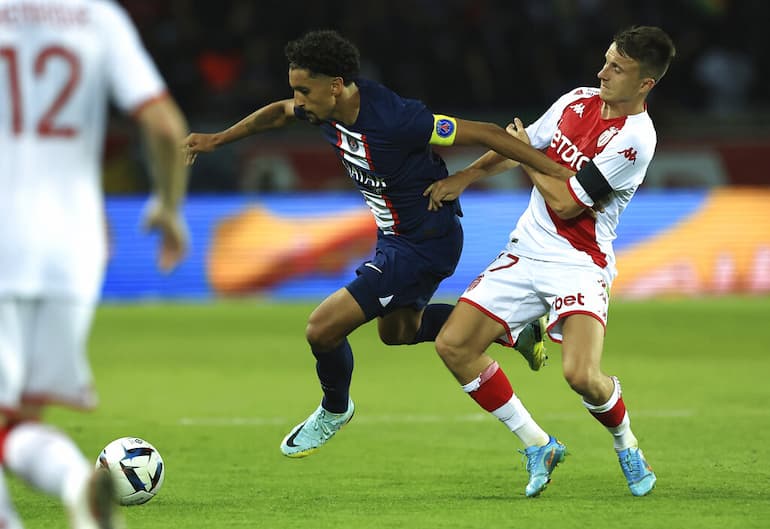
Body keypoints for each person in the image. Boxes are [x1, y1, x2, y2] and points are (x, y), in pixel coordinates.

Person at [183, 29, 569, 459]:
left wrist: (549, 173)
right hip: (396, 239)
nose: (299, 100)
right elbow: (277, 114)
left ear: (336, 85)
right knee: (398, 333)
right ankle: (508, 327)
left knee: (322, 329)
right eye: (296, 90)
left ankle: (335, 408)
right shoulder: (322, 108)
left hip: (425, 239)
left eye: (304, 90)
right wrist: (217, 139)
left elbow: (488, 133)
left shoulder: (396, 119)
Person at [426, 25, 675, 497]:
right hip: (526, 250)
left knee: (581, 376)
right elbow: (521, 146)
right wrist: (466, 177)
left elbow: (564, 203)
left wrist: (526, 158)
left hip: (579, 262)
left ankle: (626, 444)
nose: (602, 72)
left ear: (646, 83)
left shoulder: (635, 140)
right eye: (605, 60)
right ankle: (537, 444)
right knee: (453, 346)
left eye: (617, 68)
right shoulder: (576, 100)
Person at [0, 1, 189, 528]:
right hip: (73, 242)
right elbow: (166, 126)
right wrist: (170, 209)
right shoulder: (99, 19)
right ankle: (76, 484)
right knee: (17, 422)